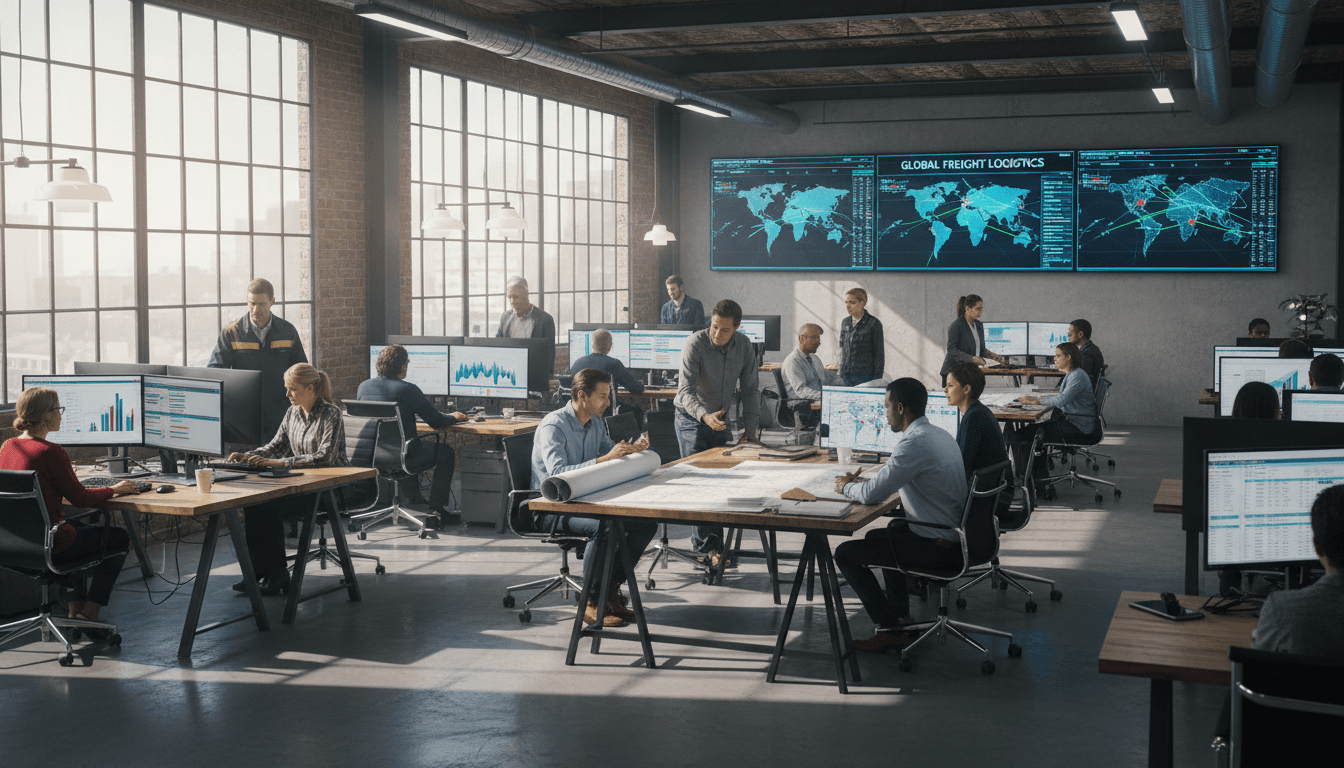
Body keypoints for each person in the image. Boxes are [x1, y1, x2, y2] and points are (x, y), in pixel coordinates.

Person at [832, 378, 969, 653]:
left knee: (846, 553)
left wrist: (844, 486)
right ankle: (900, 617)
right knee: (879, 536)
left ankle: (889, 628)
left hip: (938, 547)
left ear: (901, 407)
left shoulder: (913, 445)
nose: (885, 413)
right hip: (955, 537)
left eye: (886, 407)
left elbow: (872, 495)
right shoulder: (938, 434)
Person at [0, 387, 142, 635]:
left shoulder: (8, 447)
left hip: (13, 545)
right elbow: (80, 498)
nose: (61, 415)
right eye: (58, 409)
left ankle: (74, 611)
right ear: (46, 416)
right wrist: (115, 489)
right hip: (51, 544)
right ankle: (90, 613)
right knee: (118, 537)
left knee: (74, 528)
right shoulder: (51, 452)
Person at [531, 368, 658, 628]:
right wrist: (606, 459)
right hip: (550, 507)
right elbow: (557, 474)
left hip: (585, 499)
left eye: (608, 396)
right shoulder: (554, 426)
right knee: (606, 525)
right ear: (582, 396)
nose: (608, 402)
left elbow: (607, 453)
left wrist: (630, 451)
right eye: (602, 396)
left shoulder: (596, 422)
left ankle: (609, 591)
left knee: (645, 523)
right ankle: (589, 600)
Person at [225, 363, 347, 595]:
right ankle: (258, 572)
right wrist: (248, 456)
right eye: (286, 388)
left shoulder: (332, 413)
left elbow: (324, 457)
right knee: (253, 504)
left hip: (328, 491)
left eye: (292, 389)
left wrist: (282, 463)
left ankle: (279, 574)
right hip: (302, 485)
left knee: (269, 507)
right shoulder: (293, 412)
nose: (287, 394)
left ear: (310, 388)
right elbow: (276, 447)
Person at [674, 298, 761, 560]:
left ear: (736, 327)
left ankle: (716, 547)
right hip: (692, 417)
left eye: (725, 330)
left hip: (720, 417)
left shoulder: (744, 345)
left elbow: (750, 390)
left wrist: (751, 432)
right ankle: (707, 549)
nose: (717, 334)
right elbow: (685, 391)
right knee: (700, 483)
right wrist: (704, 416)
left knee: (723, 480)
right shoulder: (694, 344)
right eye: (714, 327)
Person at [356, 344, 468, 517]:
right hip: (403, 457)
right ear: (402, 366)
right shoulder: (408, 389)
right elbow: (437, 421)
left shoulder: (364, 387)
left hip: (374, 456)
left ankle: (413, 499)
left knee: (406, 443)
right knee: (445, 452)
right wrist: (454, 417)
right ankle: (436, 508)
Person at [208, 277, 308, 438]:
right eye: (252, 303)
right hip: (243, 415)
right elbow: (215, 372)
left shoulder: (287, 331)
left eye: (261, 304)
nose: (256, 309)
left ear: (272, 301)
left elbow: (301, 371)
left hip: (281, 411)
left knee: (277, 457)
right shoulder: (232, 333)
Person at [1018, 342, 1100, 487]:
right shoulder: (1074, 374)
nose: (1054, 359)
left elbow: (1062, 400)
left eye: (1057, 356)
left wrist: (1037, 401)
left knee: (1029, 434)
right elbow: (1062, 396)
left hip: (1080, 427)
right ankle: (1036, 479)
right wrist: (1040, 398)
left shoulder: (1077, 376)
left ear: (1068, 357)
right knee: (1031, 431)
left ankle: (1032, 481)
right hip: (1076, 422)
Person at [945, 363, 1010, 479]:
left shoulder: (973, 418)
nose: (945, 390)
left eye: (950, 386)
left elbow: (961, 465)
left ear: (966, 389)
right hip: (993, 484)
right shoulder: (979, 411)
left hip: (983, 490)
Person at [780, 323, 844, 429]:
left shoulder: (814, 358)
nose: (818, 342)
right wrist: (826, 395)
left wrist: (836, 373)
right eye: (814, 337)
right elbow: (801, 391)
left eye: (819, 338)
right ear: (802, 339)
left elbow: (824, 381)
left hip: (816, 402)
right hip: (804, 406)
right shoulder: (793, 361)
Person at [496, 276, 557, 376]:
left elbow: (549, 358)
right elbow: (497, 346)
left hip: (534, 375)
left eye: (516, 297)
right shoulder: (505, 317)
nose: (512, 301)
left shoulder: (545, 320)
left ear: (526, 295)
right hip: (509, 374)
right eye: (509, 297)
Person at [940, 294, 1005, 386]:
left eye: (981, 309)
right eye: (978, 309)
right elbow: (952, 350)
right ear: (967, 309)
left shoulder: (979, 325)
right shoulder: (956, 326)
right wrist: (972, 358)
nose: (980, 312)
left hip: (968, 371)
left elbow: (981, 349)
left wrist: (992, 355)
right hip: (953, 372)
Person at [570, 329, 645, 397]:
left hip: (579, 410)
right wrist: (642, 384)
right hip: (604, 410)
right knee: (637, 411)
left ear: (592, 345)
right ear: (610, 345)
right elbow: (636, 389)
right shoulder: (614, 364)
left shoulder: (577, 363)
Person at [839, 288, 884, 387]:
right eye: (846, 302)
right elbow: (841, 348)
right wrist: (840, 371)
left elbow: (879, 354)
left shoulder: (874, 323)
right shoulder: (845, 322)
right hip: (845, 377)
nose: (847, 306)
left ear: (862, 303)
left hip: (865, 378)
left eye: (852, 302)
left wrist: (876, 381)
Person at [1068, 319, 1105, 389]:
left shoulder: (1087, 354)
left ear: (1080, 334)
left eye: (1071, 332)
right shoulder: (1090, 349)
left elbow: (1078, 379)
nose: (1068, 335)